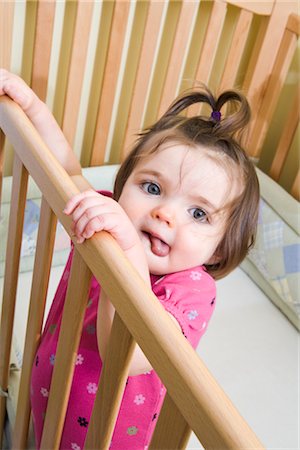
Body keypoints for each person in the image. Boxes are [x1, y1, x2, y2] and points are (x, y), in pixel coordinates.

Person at [0, 69, 260, 450]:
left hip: (108, 438)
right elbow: (67, 171)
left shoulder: (192, 291)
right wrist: (33, 109)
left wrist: (130, 252)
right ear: (124, 186)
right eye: (152, 188)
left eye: (198, 214)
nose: (165, 214)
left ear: (219, 249)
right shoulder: (104, 222)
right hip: (48, 410)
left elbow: (129, 351)